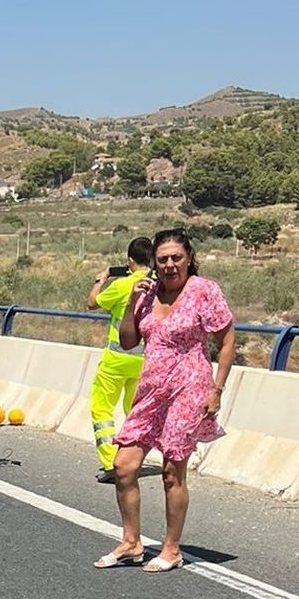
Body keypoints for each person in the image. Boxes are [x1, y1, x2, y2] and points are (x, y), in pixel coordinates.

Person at [96, 228, 235, 574]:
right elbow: (129, 341)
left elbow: (228, 339)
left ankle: (172, 549)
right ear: (154, 263)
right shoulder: (147, 293)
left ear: (189, 258)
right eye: (163, 259)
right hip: (151, 390)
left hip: (188, 387)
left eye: (177, 258)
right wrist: (131, 304)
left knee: (173, 471)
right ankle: (131, 542)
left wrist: (216, 389)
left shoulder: (204, 291)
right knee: (124, 465)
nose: (170, 265)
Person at [86, 236, 154, 483]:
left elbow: (93, 303)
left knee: (102, 409)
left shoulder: (123, 284)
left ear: (129, 261)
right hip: (145, 360)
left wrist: (100, 281)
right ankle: (134, 458)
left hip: (117, 358)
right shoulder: (157, 285)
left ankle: (111, 462)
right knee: (133, 411)